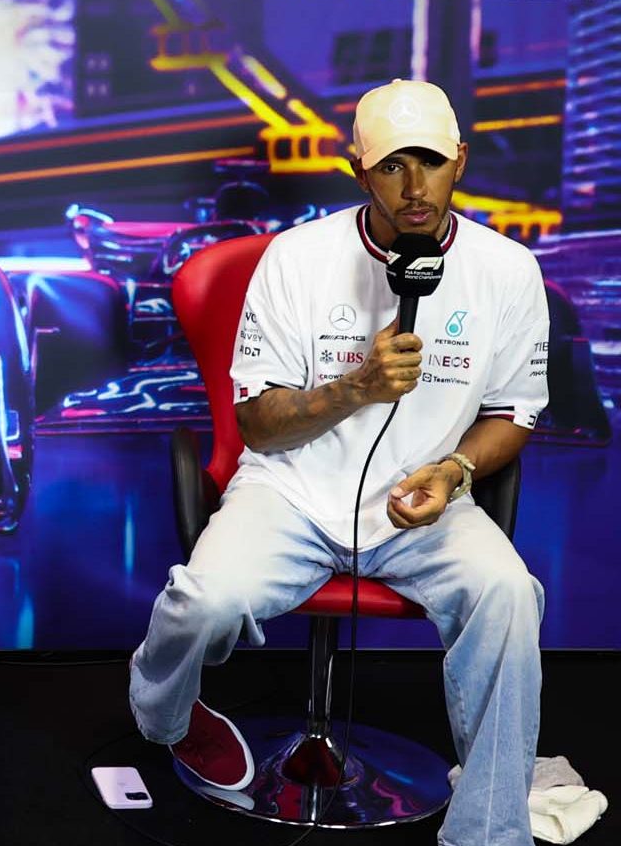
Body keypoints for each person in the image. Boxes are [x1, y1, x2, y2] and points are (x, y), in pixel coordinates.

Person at [128, 79, 548, 846]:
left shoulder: (508, 270)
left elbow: (512, 413)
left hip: (425, 505)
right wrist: (357, 385)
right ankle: (166, 713)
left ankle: (490, 833)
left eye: (430, 162)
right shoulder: (298, 258)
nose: (414, 188)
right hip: (290, 491)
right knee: (202, 601)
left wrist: (453, 470)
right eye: (392, 167)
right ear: (359, 170)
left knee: (510, 595)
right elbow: (256, 423)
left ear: (461, 159)